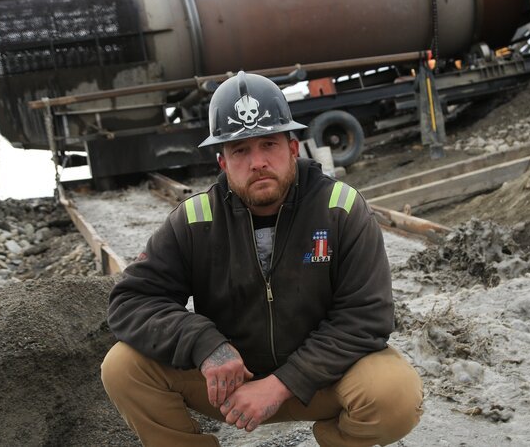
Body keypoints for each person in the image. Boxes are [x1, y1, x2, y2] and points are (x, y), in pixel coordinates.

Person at [100, 71, 423, 447]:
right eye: (240, 150)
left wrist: (282, 384)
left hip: (320, 383)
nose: (257, 162)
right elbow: (131, 301)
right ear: (222, 162)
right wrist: (206, 346)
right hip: (230, 385)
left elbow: (367, 318)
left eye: (268, 144)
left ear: (292, 148)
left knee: (395, 394)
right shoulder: (194, 221)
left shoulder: (341, 210)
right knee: (123, 367)